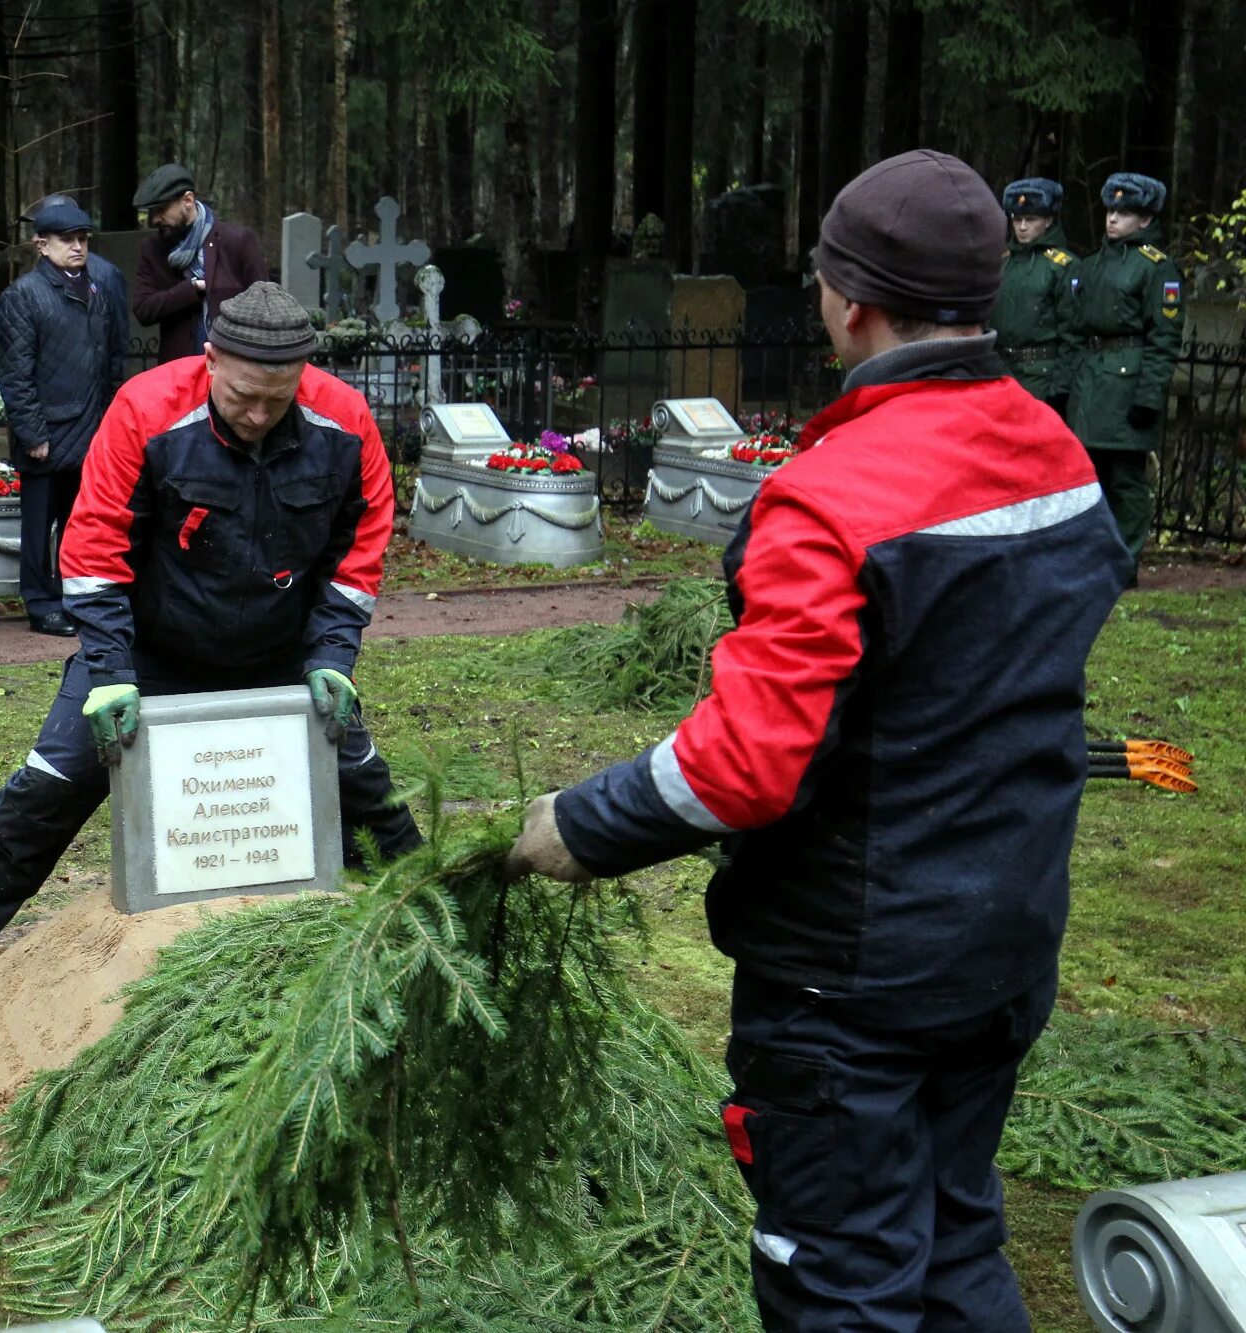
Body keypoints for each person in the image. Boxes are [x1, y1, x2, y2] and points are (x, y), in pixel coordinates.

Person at [505, 151, 1128, 1333]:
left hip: (850, 972)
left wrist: (577, 826)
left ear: (847, 301)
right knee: (951, 1237)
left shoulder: (828, 497)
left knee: (838, 1275)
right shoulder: (1052, 451)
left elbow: (745, 759)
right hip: (1003, 933)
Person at [0, 283, 421, 1009]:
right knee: (57, 774)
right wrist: (109, 670)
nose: (260, 415)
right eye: (243, 397)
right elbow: (93, 545)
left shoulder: (346, 422)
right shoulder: (146, 409)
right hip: (147, 648)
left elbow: (357, 552)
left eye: (278, 399)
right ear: (210, 361)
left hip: (280, 650)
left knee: (358, 773)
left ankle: (431, 912)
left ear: (304, 376)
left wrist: (332, 657)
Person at [0, 197, 129, 637]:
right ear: (41, 245)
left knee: (80, 523)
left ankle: (74, 596)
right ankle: (39, 601)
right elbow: (16, 373)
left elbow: (110, 362)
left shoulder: (97, 291)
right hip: (48, 431)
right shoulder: (23, 295)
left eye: (82, 239)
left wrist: (110, 423)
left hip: (90, 427)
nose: (77, 246)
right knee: (38, 526)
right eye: (66, 239)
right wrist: (32, 432)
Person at [1066, 171, 1184, 563]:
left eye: (1125, 211)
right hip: (1091, 379)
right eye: (1110, 209)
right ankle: (1095, 554)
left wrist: (1149, 395)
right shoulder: (1091, 264)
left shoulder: (1157, 268)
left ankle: (1126, 557)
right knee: (1089, 475)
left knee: (1126, 477)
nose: (1113, 218)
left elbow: (1163, 338)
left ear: (1146, 220)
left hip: (1126, 382)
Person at [129, 163, 268, 363]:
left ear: (188, 200)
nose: (155, 219)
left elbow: (264, 302)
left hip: (233, 366)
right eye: (151, 212)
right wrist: (191, 289)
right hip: (181, 372)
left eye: (162, 209)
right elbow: (143, 309)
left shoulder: (236, 242)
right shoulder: (152, 249)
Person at [989, 177, 1080, 405]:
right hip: (1000, 372)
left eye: (1030, 219)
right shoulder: (1002, 263)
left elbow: (1073, 334)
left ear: (1048, 220)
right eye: (1017, 219)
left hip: (1041, 376)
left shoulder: (1063, 266)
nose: (1022, 227)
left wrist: (1060, 387)